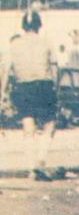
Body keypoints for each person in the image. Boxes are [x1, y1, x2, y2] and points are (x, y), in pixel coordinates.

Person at [8, 11, 58, 181]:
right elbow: (55, 68)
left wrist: (2, 93)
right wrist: (56, 89)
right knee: (49, 125)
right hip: (44, 85)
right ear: (39, 25)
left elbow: (5, 70)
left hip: (23, 86)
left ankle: (31, 167)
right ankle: (41, 161)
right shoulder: (46, 42)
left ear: (23, 26)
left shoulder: (14, 45)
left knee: (28, 128)